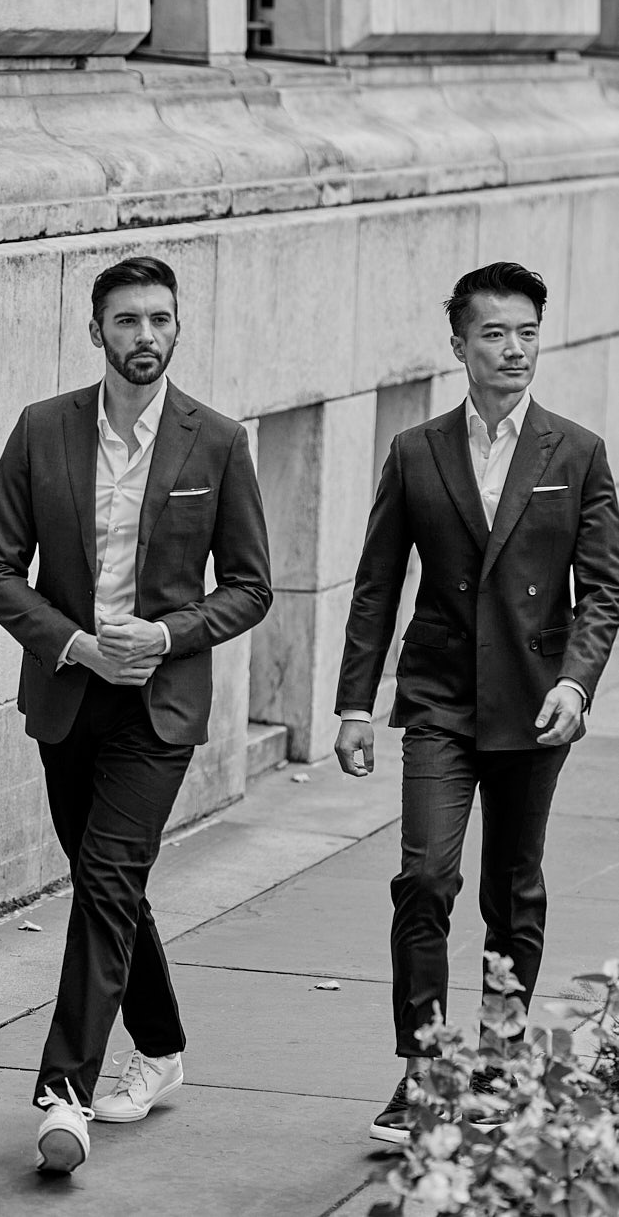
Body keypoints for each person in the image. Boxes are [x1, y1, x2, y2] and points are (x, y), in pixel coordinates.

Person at [0, 256, 272, 1173]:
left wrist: (169, 634)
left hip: (160, 708)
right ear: (94, 330)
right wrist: (76, 645)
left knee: (104, 877)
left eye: (160, 320)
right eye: (127, 321)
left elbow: (251, 587)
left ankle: (64, 1092)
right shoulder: (41, 429)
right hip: (68, 697)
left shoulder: (215, 441)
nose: (145, 336)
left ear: (177, 331)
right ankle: (163, 1044)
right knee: (113, 885)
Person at [334, 260, 619, 1145]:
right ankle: (422, 1071)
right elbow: (377, 584)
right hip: (440, 699)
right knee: (424, 876)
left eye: (527, 332)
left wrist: (576, 682)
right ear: (457, 343)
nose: (513, 349)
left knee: (511, 889)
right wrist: (352, 703)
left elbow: (603, 588)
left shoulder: (574, 451)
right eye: (493, 333)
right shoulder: (415, 450)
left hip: (537, 703)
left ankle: (494, 1063)